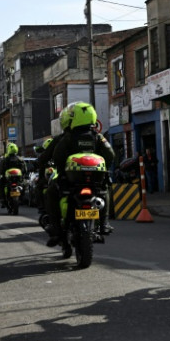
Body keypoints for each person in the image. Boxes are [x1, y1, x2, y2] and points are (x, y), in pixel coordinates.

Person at [47, 102, 116, 247]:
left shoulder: (68, 137)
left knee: (51, 192)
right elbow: (110, 154)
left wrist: (61, 172)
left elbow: (57, 157)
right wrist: (104, 171)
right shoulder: (97, 137)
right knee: (104, 190)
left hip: (71, 181)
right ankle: (104, 224)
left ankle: (56, 229)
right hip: (94, 181)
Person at [0, 143, 26, 207]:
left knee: (0, 185)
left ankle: (3, 199)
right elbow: (24, 169)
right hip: (17, 179)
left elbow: (0, 168)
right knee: (23, 184)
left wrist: (0, 172)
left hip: (8, 179)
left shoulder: (5, 159)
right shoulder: (20, 159)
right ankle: (21, 198)